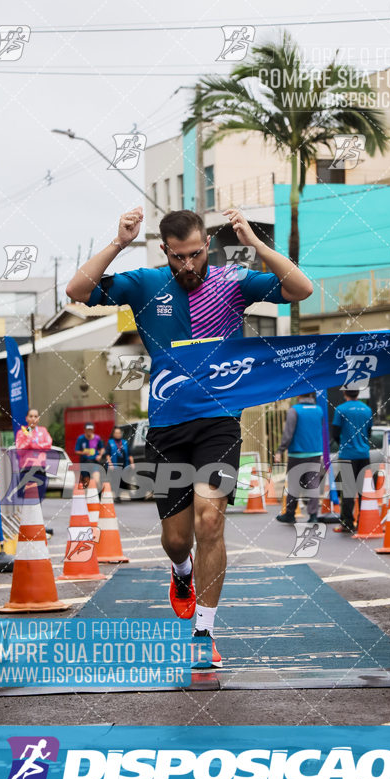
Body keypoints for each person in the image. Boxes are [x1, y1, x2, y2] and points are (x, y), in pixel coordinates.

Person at [66, 206, 312, 668]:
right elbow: (77, 290)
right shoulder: (144, 283)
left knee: (209, 521)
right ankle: (181, 573)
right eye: (179, 257)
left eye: (196, 255)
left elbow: (301, 288)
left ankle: (205, 631)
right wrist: (119, 242)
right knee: (177, 540)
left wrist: (257, 245)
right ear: (165, 251)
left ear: (208, 247)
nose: (189, 266)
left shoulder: (231, 281)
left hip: (219, 419)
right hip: (165, 427)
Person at [274, 392, 324, 524]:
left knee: (294, 485)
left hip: (297, 454)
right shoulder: (319, 410)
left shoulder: (294, 410)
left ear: (298, 396)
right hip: (315, 453)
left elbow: (288, 433)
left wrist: (280, 450)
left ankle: (290, 514)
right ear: (312, 396)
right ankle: (313, 515)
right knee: (313, 485)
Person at [332, 389, 373, 533]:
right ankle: (365, 521)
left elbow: (335, 433)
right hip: (363, 453)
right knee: (364, 490)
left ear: (344, 393)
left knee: (347, 491)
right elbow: (369, 433)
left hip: (347, 454)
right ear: (358, 393)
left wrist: (343, 444)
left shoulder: (341, 410)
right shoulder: (367, 409)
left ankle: (348, 523)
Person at [14, 408, 52, 502]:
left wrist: (34, 445)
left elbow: (48, 445)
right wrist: (28, 440)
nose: (33, 419)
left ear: (38, 419)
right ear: (27, 418)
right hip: (26, 467)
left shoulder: (43, 430)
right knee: (26, 496)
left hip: (40, 467)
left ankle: (37, 516)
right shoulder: (21, 432)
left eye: (35, 416)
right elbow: (19, 450)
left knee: (40, 495)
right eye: (31, 416)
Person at [105, 426, 134, 502]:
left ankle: (119, 494)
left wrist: (132, 463)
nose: (118, 434)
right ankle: (117, 496)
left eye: (119, 433)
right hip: (115, 466)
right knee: (116, 480)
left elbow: (130, 454)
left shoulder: (124, 442)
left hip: (124, 465)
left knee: (122, 480)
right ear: (113, 434)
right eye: (116, 433)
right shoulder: (110, 442)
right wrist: (110, 464)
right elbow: (107, 454)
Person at [75, 423, 105, 487]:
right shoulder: (80, 439)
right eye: (88, 429)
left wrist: (100, 455)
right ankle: (89, 494)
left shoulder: (97, 438)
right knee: (87, 482)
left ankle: (99, 494)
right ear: (84, 430)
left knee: (96, 480)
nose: (89, 431)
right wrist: (84, 453)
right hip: (84, 461)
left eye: (91, 430)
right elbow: (76, 451)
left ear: (93, 430)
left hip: (94, 462)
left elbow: (102, 448)